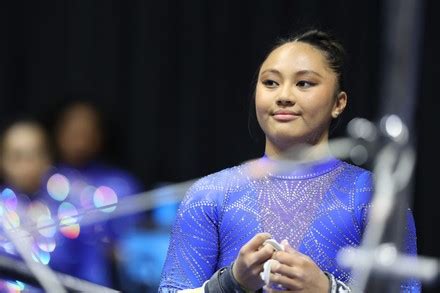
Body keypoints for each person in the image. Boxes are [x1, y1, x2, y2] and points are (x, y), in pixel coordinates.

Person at [158, 29, 420, 292]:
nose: (283, 95)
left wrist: (327, 289)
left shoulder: (374, 197)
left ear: (338, 103)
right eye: (270, 82)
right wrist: (230, 283)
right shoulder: (210, 195)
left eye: (304, 83)